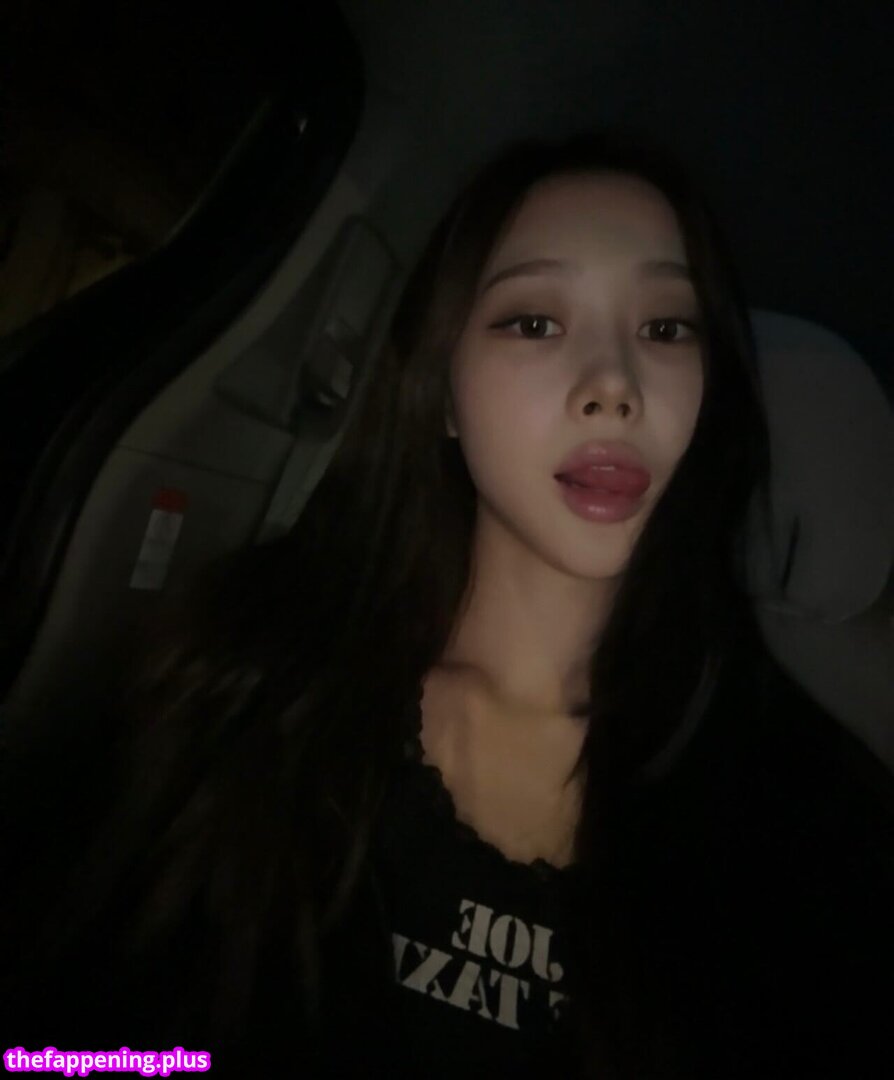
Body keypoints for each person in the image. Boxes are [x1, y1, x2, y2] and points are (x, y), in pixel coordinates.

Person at [2, 130, 892, 1080]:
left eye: (667, 329)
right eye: (535, 322)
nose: (614, 388)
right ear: (443, 393)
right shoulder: (243, 684)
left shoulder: (812, 818)